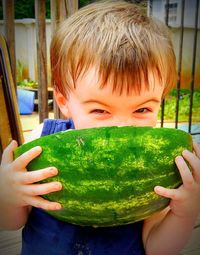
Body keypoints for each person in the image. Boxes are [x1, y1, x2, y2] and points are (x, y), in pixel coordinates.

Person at [0, 1, 200, 254]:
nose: (121, 127)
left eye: (142, 109)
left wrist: (184, 215)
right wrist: (7, 195)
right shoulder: (40, 143)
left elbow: (158, 248)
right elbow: (11, 222)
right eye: (100, 110)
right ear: (64, 102)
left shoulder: (158, 164)